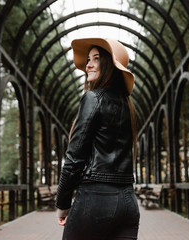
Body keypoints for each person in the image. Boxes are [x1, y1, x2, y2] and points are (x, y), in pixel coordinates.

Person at [55, 38, 140, 240]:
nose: (88, 65)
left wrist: (63, 203)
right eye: (88, 60)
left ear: (110, 64)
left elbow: (74, 157)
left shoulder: (93, 98)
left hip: (95, 200)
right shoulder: (128, 106)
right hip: (128, 202)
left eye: (96, 58)